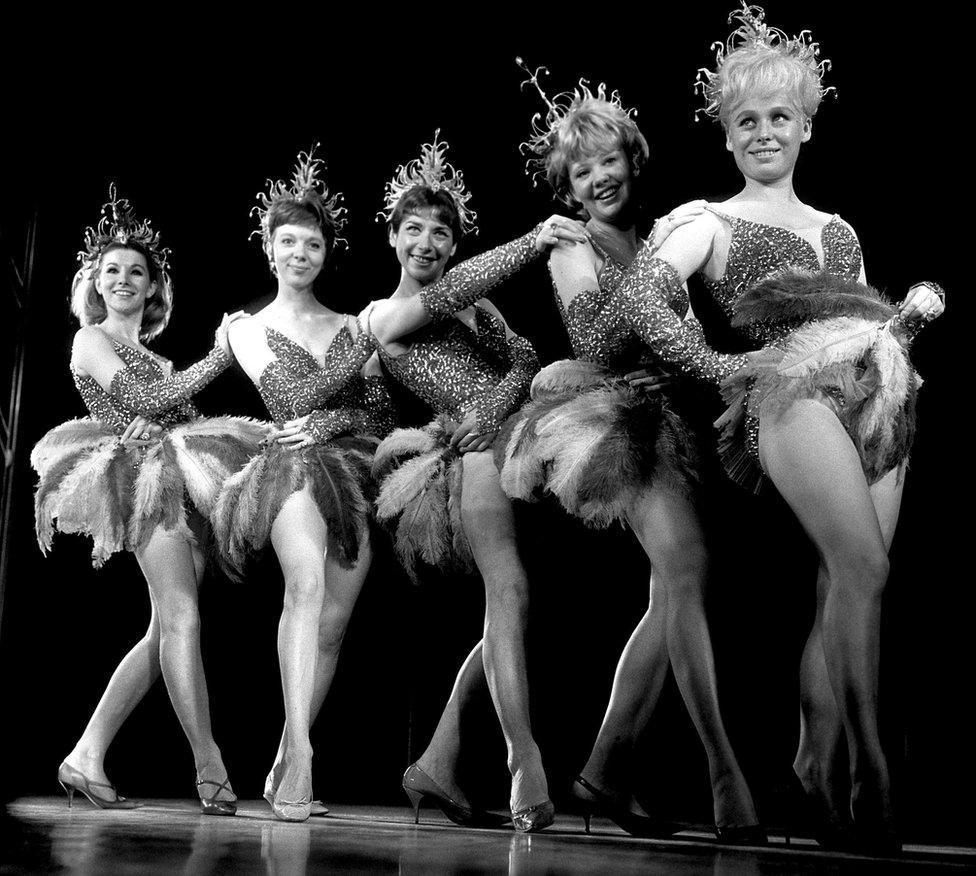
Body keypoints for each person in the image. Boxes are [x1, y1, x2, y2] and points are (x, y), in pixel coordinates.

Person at [597, 4, 944, 852]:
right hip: (784, 399)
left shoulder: (839, 230)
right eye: (746, 119)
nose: (763, 132)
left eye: (779, 117)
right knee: (861, 563)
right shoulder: (702, 219)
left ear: (807, 126)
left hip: (876, 399)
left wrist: (907, 322)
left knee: (851, 579)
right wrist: (720, 369)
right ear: (726, 135)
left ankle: (815, 769)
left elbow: (864, 327)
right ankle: (873, 779)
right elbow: (640, 298)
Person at [490, 64, 763, 841]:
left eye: (608, 159)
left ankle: (606, 767)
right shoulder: (571, 244)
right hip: (608, 414)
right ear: (568, 188)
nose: (599, 176)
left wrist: (693, 359)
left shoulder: (662, 234)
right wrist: (658, 333)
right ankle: (723, 772)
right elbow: (591, 338)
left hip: (673, 413)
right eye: (582, 170)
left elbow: (690, 330)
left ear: (631, 159)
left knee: (675, 587)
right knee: (684, 570)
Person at [366, 131, 580, 832]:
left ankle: (437, 761)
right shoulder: (383, 316)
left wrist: (494, 402)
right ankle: (525, 762)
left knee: (512, 611)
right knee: (508, 589)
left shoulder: (474, 305)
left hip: (517, 439)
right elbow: (451, 297)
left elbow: (522, 358)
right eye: (415, 231)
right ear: (394, 237)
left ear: (453, 243)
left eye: (441, 233)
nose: (427, 244)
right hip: (473, 454)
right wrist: (531, 242)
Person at [32, 186, 264, 815]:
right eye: (112, 271)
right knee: (181, 618)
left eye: (137, 271)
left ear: (154, 288)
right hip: (137, 482)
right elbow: (144, 408)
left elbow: (171, 411)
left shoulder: (158, 359)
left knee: (165, 627)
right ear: (95, 284)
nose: (124, 280)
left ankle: (86, 754)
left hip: (177, 483)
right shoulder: (91, 342)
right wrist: (220, 354)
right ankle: (208, 762)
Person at [212, 147, 396, 822]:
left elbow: (379, 414)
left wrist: (340, 415)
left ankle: (286, 761)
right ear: (268, 250)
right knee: (306, 588)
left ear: (326, 252)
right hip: (290, 463)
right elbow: (288, 400)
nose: (299, 253)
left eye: (311, 243)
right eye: (286, 241)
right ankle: (301, 755)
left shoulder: (353, 325)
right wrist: (329, 410)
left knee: (335, 625)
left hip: (352, 468)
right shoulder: (247, 329)